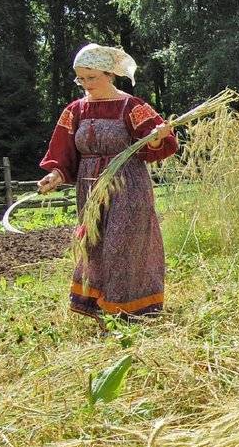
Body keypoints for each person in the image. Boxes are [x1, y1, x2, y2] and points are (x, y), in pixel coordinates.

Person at [37, 44, 178, 319]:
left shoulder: (132, 106)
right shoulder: (75, 110)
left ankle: (131, 310)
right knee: (95, 243)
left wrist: (158, 137)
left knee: (123, 243)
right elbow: (63, 152)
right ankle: (98, 306)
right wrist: (55, 174)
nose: (86, 84)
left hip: (127, 185)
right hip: (90, 187)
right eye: (81, 78)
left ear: (110, 75)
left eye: (93, 78)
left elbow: (160, 144)